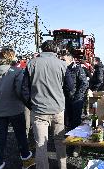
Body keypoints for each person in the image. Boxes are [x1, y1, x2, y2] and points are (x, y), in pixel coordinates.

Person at [22, 40, 73, 169]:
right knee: (60, 142)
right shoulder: (62, 64)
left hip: (38, 110)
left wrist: (31, 105)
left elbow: (24, 90)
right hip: (57, 109)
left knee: (41, 145)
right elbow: (70, 87)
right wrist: (61, 99)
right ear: (55, 50)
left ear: (42, 49)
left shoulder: (31, 63)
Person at [0, 47, 35, 169]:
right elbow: (20, 91)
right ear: (11, 57)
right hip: (15, 108)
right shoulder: (16, 71)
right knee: (21, 135)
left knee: (0, 137)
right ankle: (26, 159)